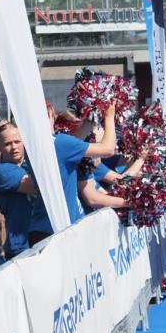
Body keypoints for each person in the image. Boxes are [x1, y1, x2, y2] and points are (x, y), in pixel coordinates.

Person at [28, 104, 117, 246]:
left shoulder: (36, 146)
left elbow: (75, 140)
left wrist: (90, 116)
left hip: (44, 226)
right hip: (56, 229)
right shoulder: (60, 143)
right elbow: (108, 149)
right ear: (52, 113)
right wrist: (109, 116)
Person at [0, 123, 36, 260]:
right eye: (8, 144)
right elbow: (36, 187)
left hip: (40, 239)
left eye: (17, 142)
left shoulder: (29, 164)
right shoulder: (2, 171)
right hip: (20, 248)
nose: (14, 147)